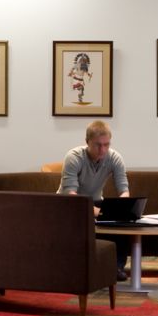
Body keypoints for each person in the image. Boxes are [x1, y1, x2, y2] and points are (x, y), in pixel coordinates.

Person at [58, 120, 132, 280]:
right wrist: (101, 212)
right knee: (97, 218)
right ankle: (82, 267)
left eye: (106, 144)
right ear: (87, 142)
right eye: (98, 145)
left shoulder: (114, 157)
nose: (103, 149)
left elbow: (124, 189)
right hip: (68, 204)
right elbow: (71, 195)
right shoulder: (74, 157)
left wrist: (122, 209)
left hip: (96, 202)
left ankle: (116, 268)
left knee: (121, 222)